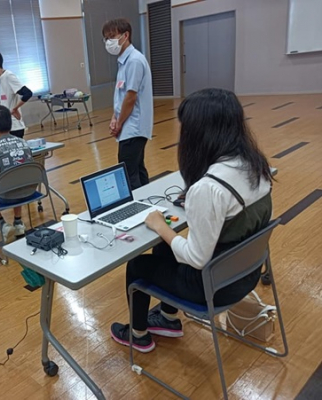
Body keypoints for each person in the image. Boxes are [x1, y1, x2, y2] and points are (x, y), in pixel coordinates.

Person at [110, 88, 274, 353]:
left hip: (212, 287)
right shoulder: (256, 165)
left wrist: (160, 225)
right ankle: (168, 318)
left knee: (138, 264)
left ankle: (137, 334)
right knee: (163, 246)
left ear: (198, 133)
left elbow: (196, 258)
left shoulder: (209, 188)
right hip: (244, 274)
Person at [102, 18, 153, 190]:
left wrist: (119, 123)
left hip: (133, 127)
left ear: (125, 35)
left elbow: (131, 97)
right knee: (137, 169)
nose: (109, 41)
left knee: (128, 174)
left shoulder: (134, 61)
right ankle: (147, 201)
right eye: (106, 38)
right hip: (128, 126)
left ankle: (137, 204)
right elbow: (121, 95)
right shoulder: (124, 61)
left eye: (112, 36)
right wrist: (114, 118)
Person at [0, 105, 34, 242]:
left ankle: (3, 225)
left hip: (7, 196)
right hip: (30, 190)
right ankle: (18, 222)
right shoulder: (24, 142)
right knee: (17, 180)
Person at [0, 49, 33, 139]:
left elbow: (27, 93)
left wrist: (15, 109)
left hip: (15, 127)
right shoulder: (1, 78)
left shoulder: (8, 76)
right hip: (7, 126)